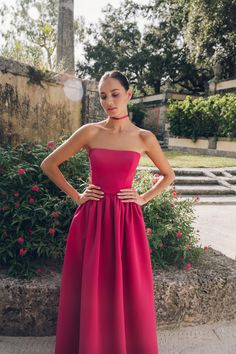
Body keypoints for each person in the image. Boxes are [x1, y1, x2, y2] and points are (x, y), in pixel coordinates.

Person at [40, 70, 175, 354]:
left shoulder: (144, 137)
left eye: (115, 94)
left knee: (128, 286)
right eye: (103, 96)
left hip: (127, 221)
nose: (109, 102)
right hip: (93, 219)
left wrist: (142, 198)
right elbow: (49, 164)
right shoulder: (90, 132)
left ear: (128, 94)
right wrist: (77, 196)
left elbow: (168, 175)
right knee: (92, 286)